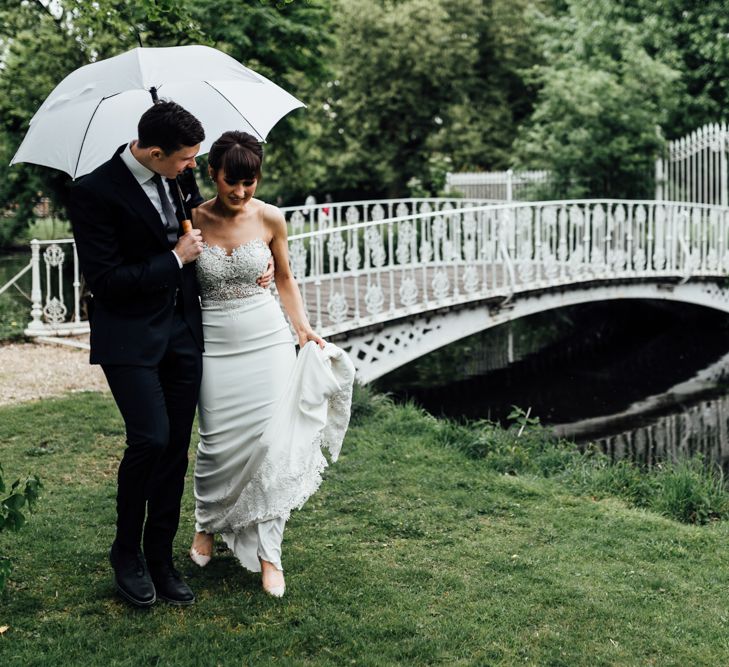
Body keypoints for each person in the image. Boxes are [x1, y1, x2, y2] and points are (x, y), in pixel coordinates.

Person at [68, 102, 274, 608]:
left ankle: (160, 557)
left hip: (183, 334)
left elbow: (210, 237)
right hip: (129, 340)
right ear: (156, 152)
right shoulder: (93, 193)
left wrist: (256, 270)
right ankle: (126, 554)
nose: (192, 170)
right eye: (185, 160)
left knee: (175, 448)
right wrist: (172, 259)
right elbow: (107, 281)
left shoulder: (176, 181)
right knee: (151, 440)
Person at [188, 131, 354, 598]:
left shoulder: (271, 218)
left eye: (250, 182)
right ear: (212, 174)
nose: (241, 193)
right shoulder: (192, 221)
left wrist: (302, 328)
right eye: (231, 182)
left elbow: (284, 277)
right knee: (216, 444)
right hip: (215, 344)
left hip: (267, 341)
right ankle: (207, 522)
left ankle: (269, 555)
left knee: (272, 445)